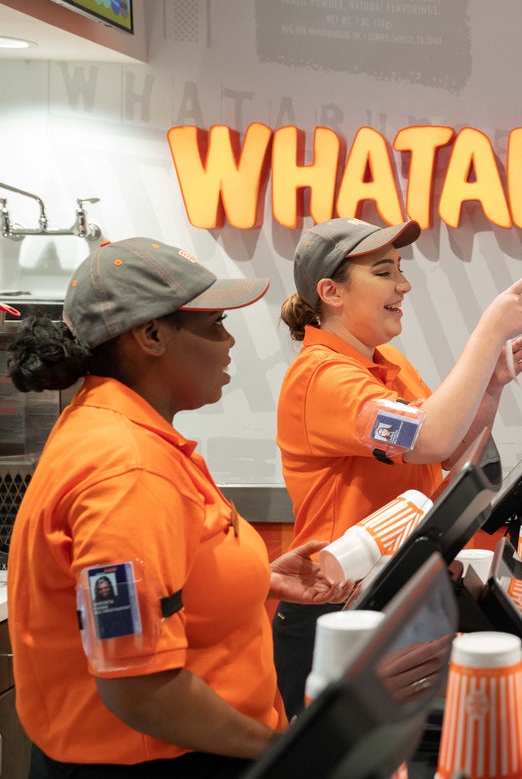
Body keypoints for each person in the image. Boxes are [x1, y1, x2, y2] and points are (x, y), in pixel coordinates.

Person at [5, 238, 351, 779]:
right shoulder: (126, 472)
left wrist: (255, 577)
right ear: (152, 335)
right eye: (215, 325)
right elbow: (139, 689)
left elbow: (161, 580)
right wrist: (284, 752)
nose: (231, 341)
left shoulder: (120, 430)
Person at [273, 216, 522, 716]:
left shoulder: (384, 363)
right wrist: (487, 335)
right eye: (383, 272)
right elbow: (432, 435)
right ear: (331, 291)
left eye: (400, 269)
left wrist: (490, 386)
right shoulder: (322, 377)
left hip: (392, 602)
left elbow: (449, 455)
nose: (404, 284)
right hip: (337, 612)